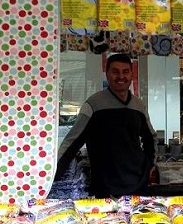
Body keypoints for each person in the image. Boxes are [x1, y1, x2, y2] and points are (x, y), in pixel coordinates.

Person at [55, 53, 156, 198]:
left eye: (125, 71)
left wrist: (149, 167)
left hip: (138, 186)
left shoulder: (138, 105)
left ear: (131, 74)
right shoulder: (93, 105)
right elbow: (72, 143)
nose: (121, 76)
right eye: (115, 72)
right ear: (107, 74)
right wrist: (52, 176)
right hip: (105, 190)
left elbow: (150, 138)